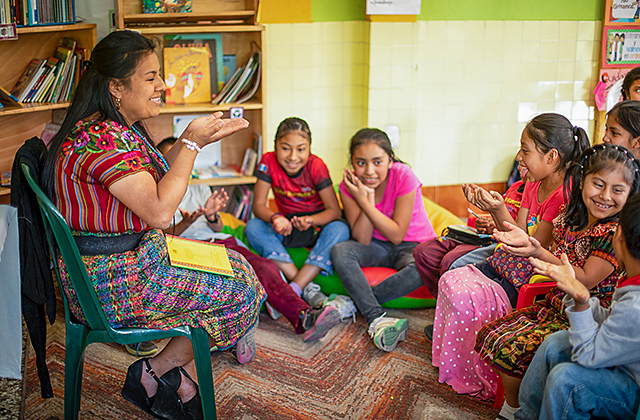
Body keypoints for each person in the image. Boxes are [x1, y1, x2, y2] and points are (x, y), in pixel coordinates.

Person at [41, 31, 266, 420]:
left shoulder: (115, 128)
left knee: (238, 267)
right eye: (150, 77)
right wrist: (191, 144)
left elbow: (156, 179)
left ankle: (165, 374)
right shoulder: (101, 141)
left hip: (132, 260)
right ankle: (165, 374)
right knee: (242, 292)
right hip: (112, 281)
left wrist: (193, 139)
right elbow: (161, 213)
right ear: (115, 86)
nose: (163, 85)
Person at [427, 113, 590, 401]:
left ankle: (479, 370)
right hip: (511, 262)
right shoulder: (533, 184)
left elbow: (533, 246)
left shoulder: (563, 196)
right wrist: (495, 207)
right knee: (451, 277)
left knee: (465, 292)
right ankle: (458, 360)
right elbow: (515, 233)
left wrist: (497, 212)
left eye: (525, 150)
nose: (519, 157)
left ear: (551, 156)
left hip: (533, 274)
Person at [475, 144, 640, 420]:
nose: (605, 196)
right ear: (582, 180)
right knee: (546, 343)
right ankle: (521, 413)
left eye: (617, 190)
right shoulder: (570, 215)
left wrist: (579, 298)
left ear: (620, 236)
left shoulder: (611, 234)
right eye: (598, 184)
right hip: (568, 304)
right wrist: (533, 248)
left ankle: (519, 409)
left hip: (592, 330)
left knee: (564, 377)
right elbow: (605, 313)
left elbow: (584, 285)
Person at [157, 137, 354, 341]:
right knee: (220, 285)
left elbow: (215, 226)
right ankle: (236, 336)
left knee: (265, 267)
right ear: (162, 162)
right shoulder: (157, 194)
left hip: (219, 240)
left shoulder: (199, 187)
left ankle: (305, 315)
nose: (179, 164)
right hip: (186, 249)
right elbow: (158, 239)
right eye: (173, 158)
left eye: (185, 158)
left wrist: (212, 215)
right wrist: (185, 224)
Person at [517, 192, 640, 420]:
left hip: (633, 389)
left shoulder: (635, 306)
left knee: (566, 381)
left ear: (619, 234)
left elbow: (589, 356)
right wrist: (575, 292)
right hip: (623, 364)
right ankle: (526, 416)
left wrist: (582, 302)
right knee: (556, 343)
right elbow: (612, 321)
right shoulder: (633, 280)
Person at [330, 128, 438, 352]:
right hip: (377, 246)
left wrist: (365, 202)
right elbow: (361, 238)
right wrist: (365, 195)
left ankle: (355, 304)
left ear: (390, 160)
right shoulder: (348, 186)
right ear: (352, 162)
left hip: (413, 245)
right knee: (340, 250)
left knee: (424, 267)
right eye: (361, 163)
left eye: (377, 162)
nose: (369, 171)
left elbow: (397, 234)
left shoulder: (403, 175)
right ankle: (376, 316)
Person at [244, 117, 350, 308]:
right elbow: (258, 205)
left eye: (301, 149)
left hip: (317, 226)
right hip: (288, 225)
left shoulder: (316, 166)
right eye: (285, 148)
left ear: (309, 148)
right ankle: (307, 288)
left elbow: (334, 211)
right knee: (253, 227)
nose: (293, 157)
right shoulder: (267, 161)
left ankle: (292, 290)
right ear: (275, 145)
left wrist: (310, 220)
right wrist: (275, 218)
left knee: (340, 229)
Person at [413, 160, 528, 299]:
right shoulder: (515, 188)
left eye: (525, 151)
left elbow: (521, 233)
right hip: (486, 238)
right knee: (424, 252)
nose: (518, 158)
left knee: (451, 261)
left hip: (501, 245)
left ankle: (454, 306)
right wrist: (485, 223)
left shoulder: (534, 194)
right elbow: (498, 217)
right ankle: (445, 303)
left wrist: (496, 217)